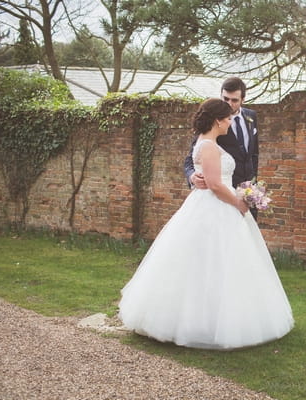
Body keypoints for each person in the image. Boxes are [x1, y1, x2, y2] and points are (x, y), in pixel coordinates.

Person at [119, 98, 294, 350]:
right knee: (211, 263)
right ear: (217, 121)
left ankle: (207, 319)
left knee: (212, 264)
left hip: (212, 204)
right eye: (227, 119)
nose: (230, 122)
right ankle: (204, 324)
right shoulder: (209, 146)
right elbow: (214, 184)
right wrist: (238, 202)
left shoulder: (208, 142)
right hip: (215, 207)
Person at [184, 77, 259, 217]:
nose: (229, 104)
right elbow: (192, 157)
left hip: (246, 192)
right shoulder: (211, 121)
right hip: (221, 197)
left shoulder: (251, 116)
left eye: (234, 100)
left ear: (243, 99)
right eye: (225, 99)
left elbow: (253, 155)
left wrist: (252, 187)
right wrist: (192, 176)